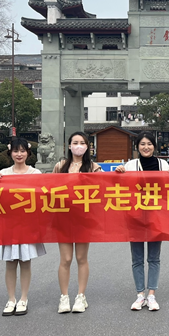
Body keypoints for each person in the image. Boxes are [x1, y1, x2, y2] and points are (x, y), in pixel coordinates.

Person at [115, 132, 169, 312]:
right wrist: (119, 173)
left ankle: (151, 295)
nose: (146, 147)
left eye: (149, 144)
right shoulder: (130, 165)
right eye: (142, 144)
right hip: (134, 217)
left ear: (154, 146)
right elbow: (120, 187)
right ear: (137, 147)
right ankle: (139, 295)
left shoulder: (163, 165)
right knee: (137, 258)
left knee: (153, 258)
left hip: (156, 217)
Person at [0, 137, 46, 317]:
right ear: (10, 153)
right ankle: (11, 299)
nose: (19, 154)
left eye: (22, 151)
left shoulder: (36, 173)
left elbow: (43, 196)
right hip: (8, 224)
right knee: (10, 262)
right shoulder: (3, 173)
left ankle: (23, 298)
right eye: (16, 151)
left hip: (27, 224)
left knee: (25, 262)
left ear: (28, 153)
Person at [52, 131, 101, 314]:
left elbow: (107, 187)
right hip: (63, 218)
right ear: (69, 145)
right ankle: (64, 297)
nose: (78, 146)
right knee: (65, 259)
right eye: (75, 142)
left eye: (82, 143)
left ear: (87, 146)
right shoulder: (60, 166)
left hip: (84, 219)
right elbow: (48, 188)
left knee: (81, 258)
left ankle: (81, 296)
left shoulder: (94, 167)